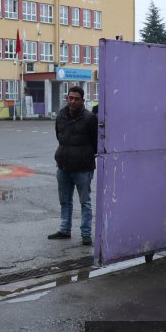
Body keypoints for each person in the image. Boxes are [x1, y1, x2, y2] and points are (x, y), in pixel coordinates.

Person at [47, 86, 98, 246]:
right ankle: (64, 230)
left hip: (83, 167)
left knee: (85, 202)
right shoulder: (61, 115)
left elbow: (96, 143)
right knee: (65, 201)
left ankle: (86, 234)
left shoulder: (90, 118)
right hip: (63, 166)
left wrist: (83, 155)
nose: (72, 101)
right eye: (70, 98)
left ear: (82, 100)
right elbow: (59, 136)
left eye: (76, 98)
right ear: (67, 98)